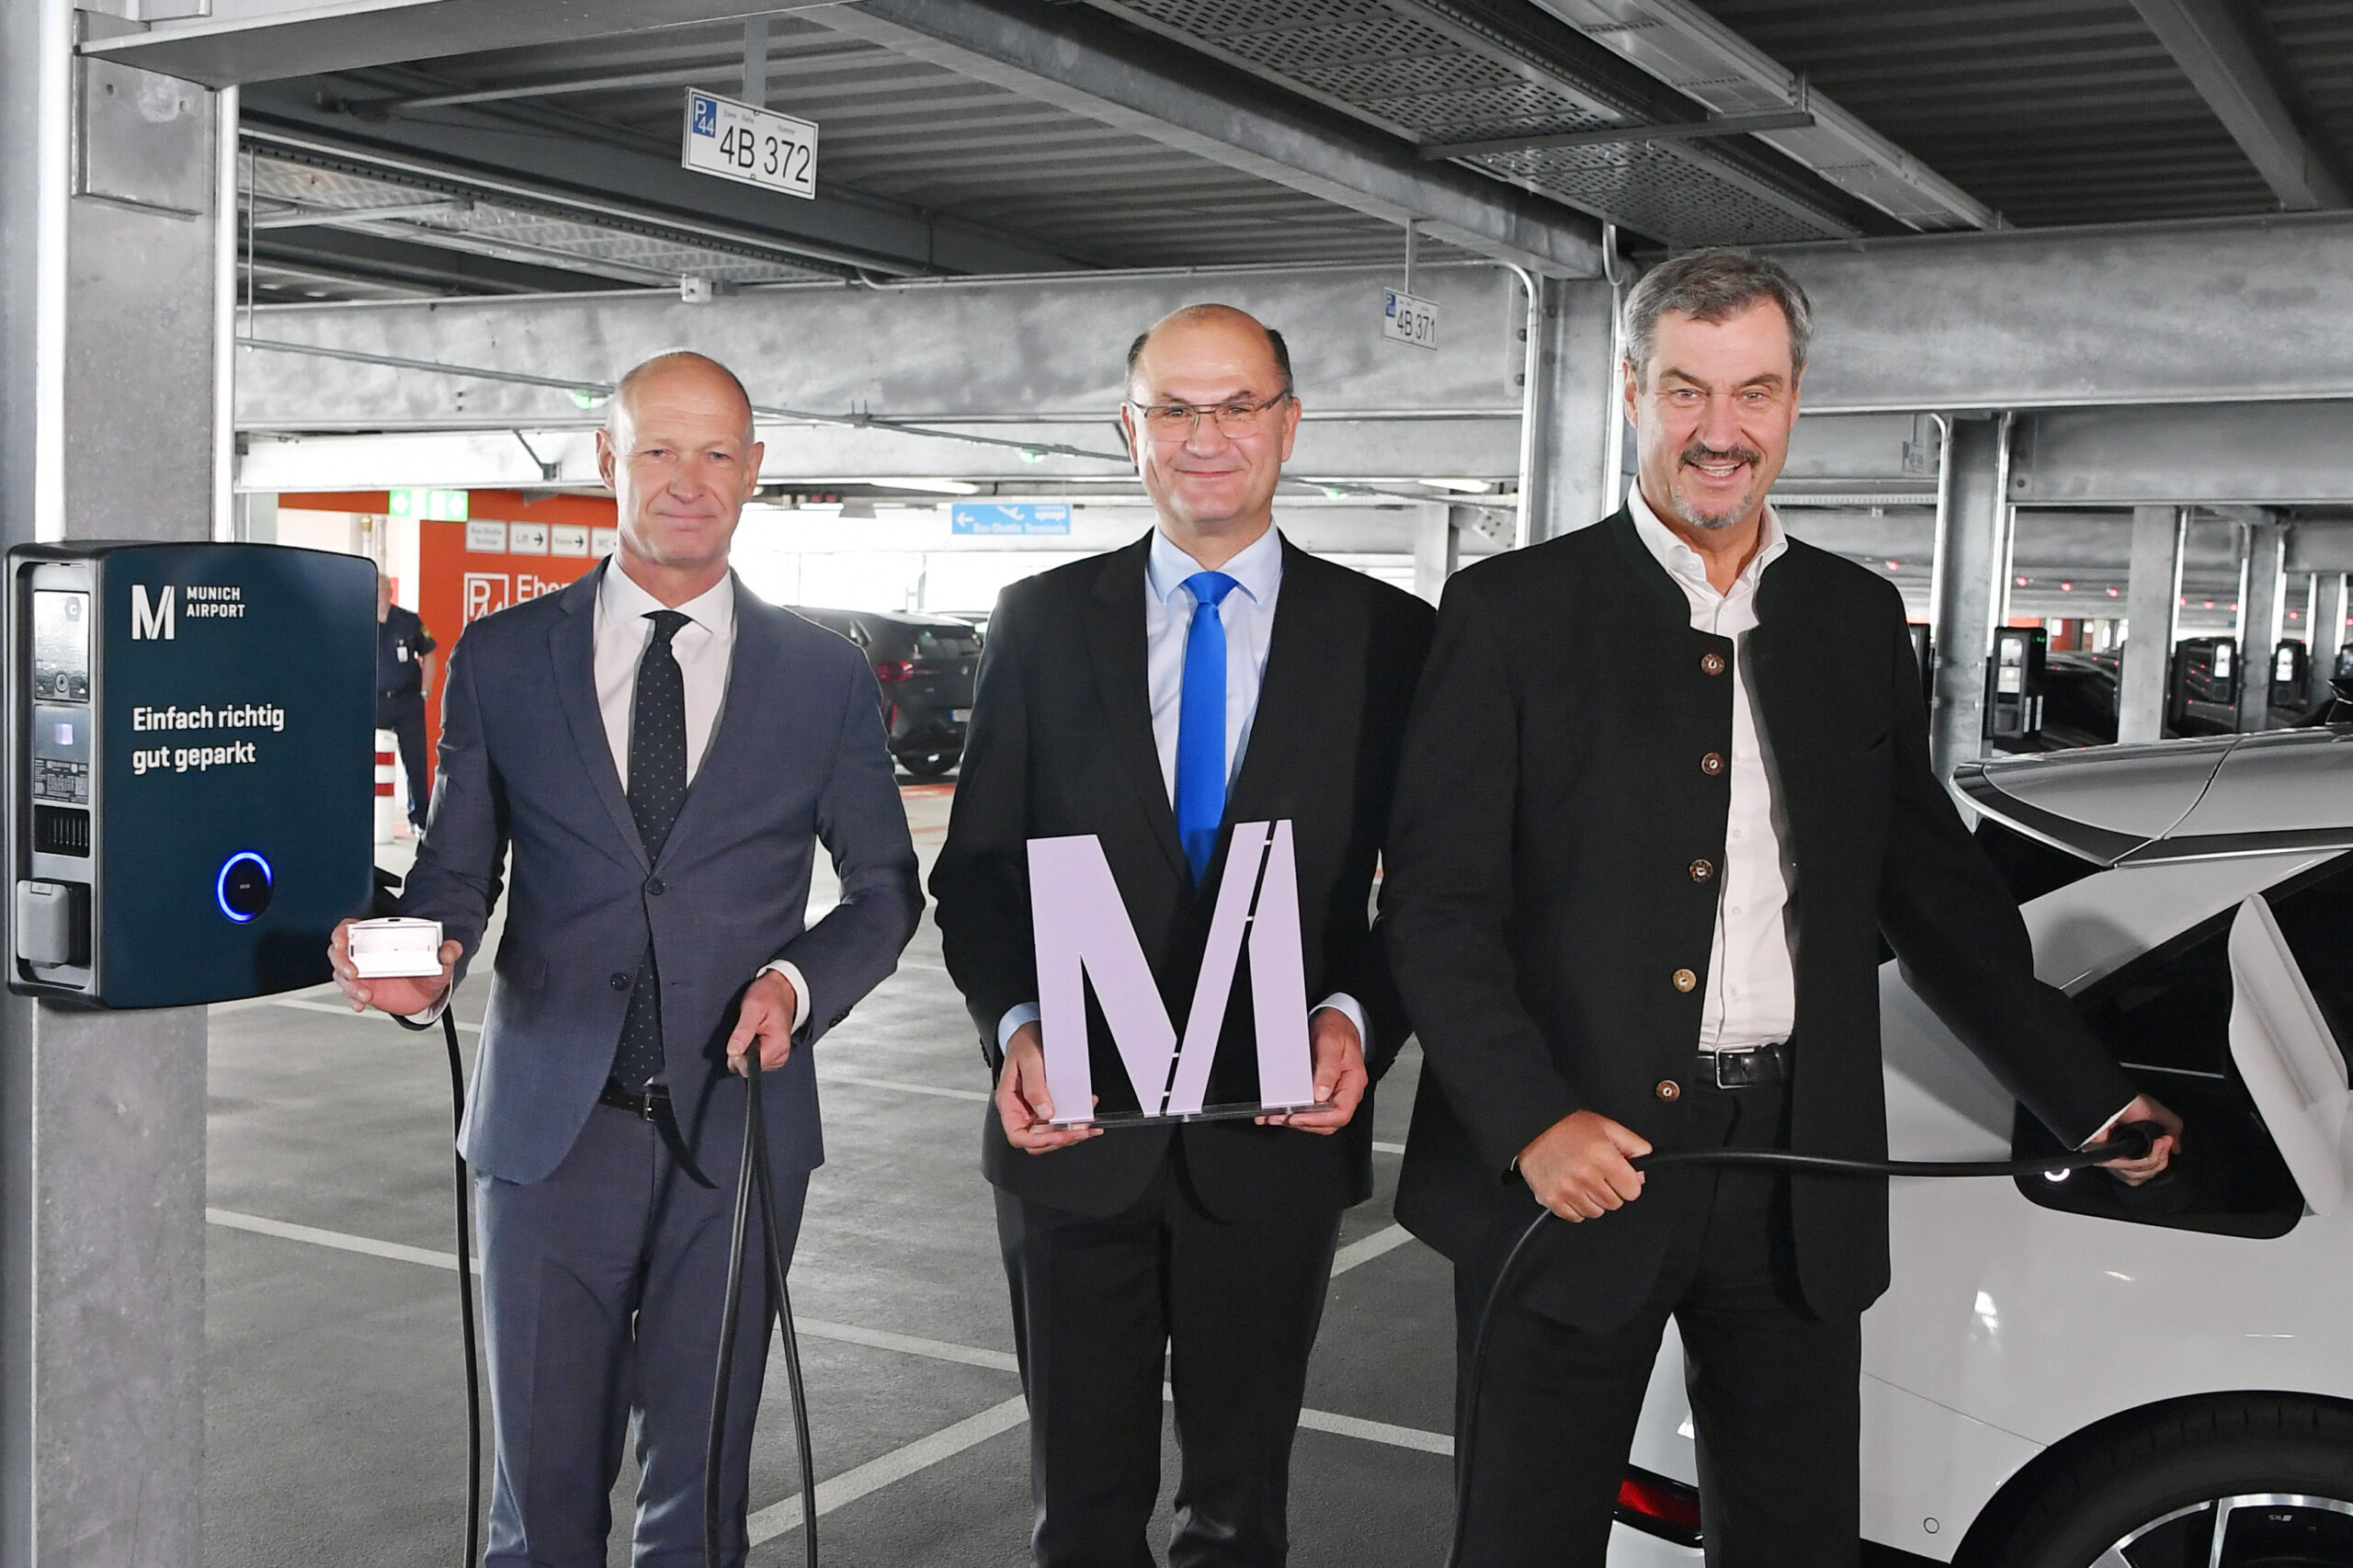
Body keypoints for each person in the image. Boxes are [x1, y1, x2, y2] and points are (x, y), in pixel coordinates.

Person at [1381, 249, 2180, 1568]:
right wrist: (1529, 1118)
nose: (1720, 430)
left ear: (1795, 401)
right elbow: (1438, 907)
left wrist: (2084, 1094)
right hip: (1573, 1164)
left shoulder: (1855, 620)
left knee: (1799, 1540)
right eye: (1688, 391)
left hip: (1794, 1165)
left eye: (1753, 393)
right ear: (1636, 392)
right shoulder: (1514, 611)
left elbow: (1933, 895)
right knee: (1522, 1539)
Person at [327, 350, 922, 1568]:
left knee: (699, 1507)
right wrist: (423, 961)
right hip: (552, 1134)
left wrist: (798, 983)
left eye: (715, 453)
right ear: (609, 458)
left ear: (754, 472)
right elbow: (457, 873)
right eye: (658, 448)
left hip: (741, 1133)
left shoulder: (821, 678)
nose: (686, 480)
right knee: (539, 1503)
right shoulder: (500, 659)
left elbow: (884, 892)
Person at [930, 304, 1435, 1567]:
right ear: (1130, 428)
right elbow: (980, 873)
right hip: (1075, 1135)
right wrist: (1021, 1023)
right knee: (1081, 1515)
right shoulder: (1041, 622)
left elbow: (1431, 890)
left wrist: (1356, 1018)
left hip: (1269, 1144)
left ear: (1288, 422)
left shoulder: (1388, 638)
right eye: (1175, 408)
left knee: (1238, 1509)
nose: (1206, 437)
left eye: (1238, 405)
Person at [375, 571, 437, 833]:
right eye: (377, 589)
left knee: (415, 761)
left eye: (384, 588)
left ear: (391, 591)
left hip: (407, 701)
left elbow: (430, 654)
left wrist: (425, 691)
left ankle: (419, 818)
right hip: (374, 702)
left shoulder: (409, 621)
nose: (381, 594)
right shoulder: (357, 619)